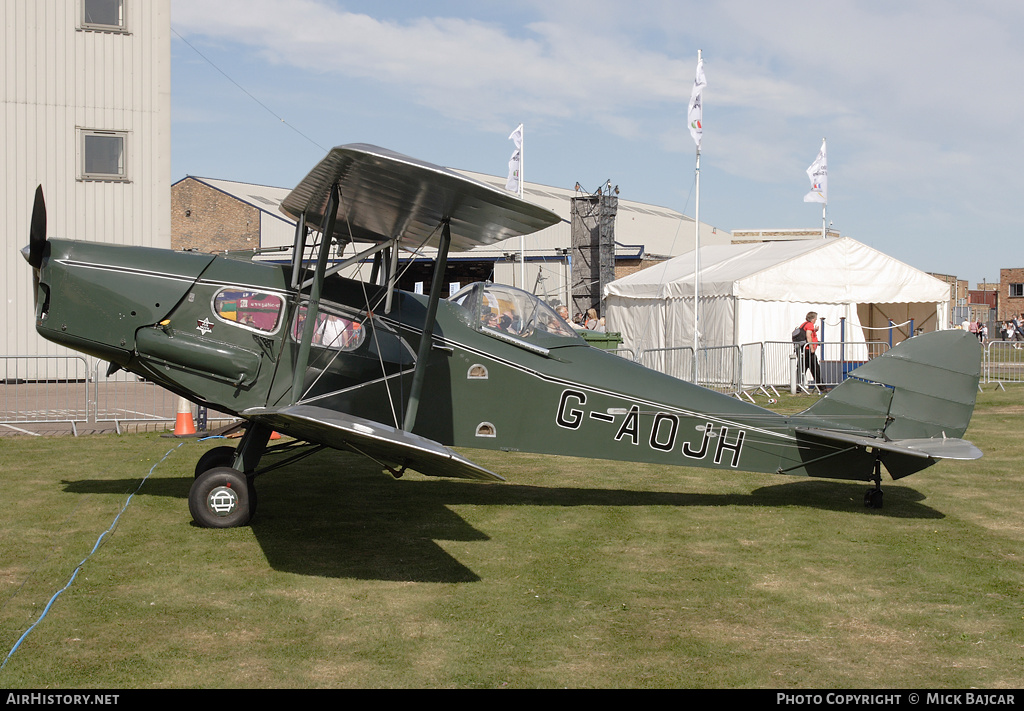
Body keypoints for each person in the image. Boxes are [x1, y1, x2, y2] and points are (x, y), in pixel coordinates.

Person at [798, 311, 824, 391]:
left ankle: (797, 386)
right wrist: (812, 347)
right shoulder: (809, 325)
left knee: (802, 368)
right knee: (815, 368)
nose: (816, 319)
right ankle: (821, 387)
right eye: (815, 318)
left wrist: (814, 330)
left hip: (803, 350)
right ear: (813, 318)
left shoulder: (804, 324)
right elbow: (808, 336)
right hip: (808, 350)